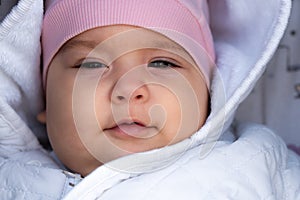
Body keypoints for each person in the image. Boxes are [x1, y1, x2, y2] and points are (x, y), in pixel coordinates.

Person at [1, 0, 299, 200]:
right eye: (91, 64)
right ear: (44, 103)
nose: (129, 88)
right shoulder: (11, 177)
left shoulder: (256, 159)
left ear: (210, 94)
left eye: (162, 64)